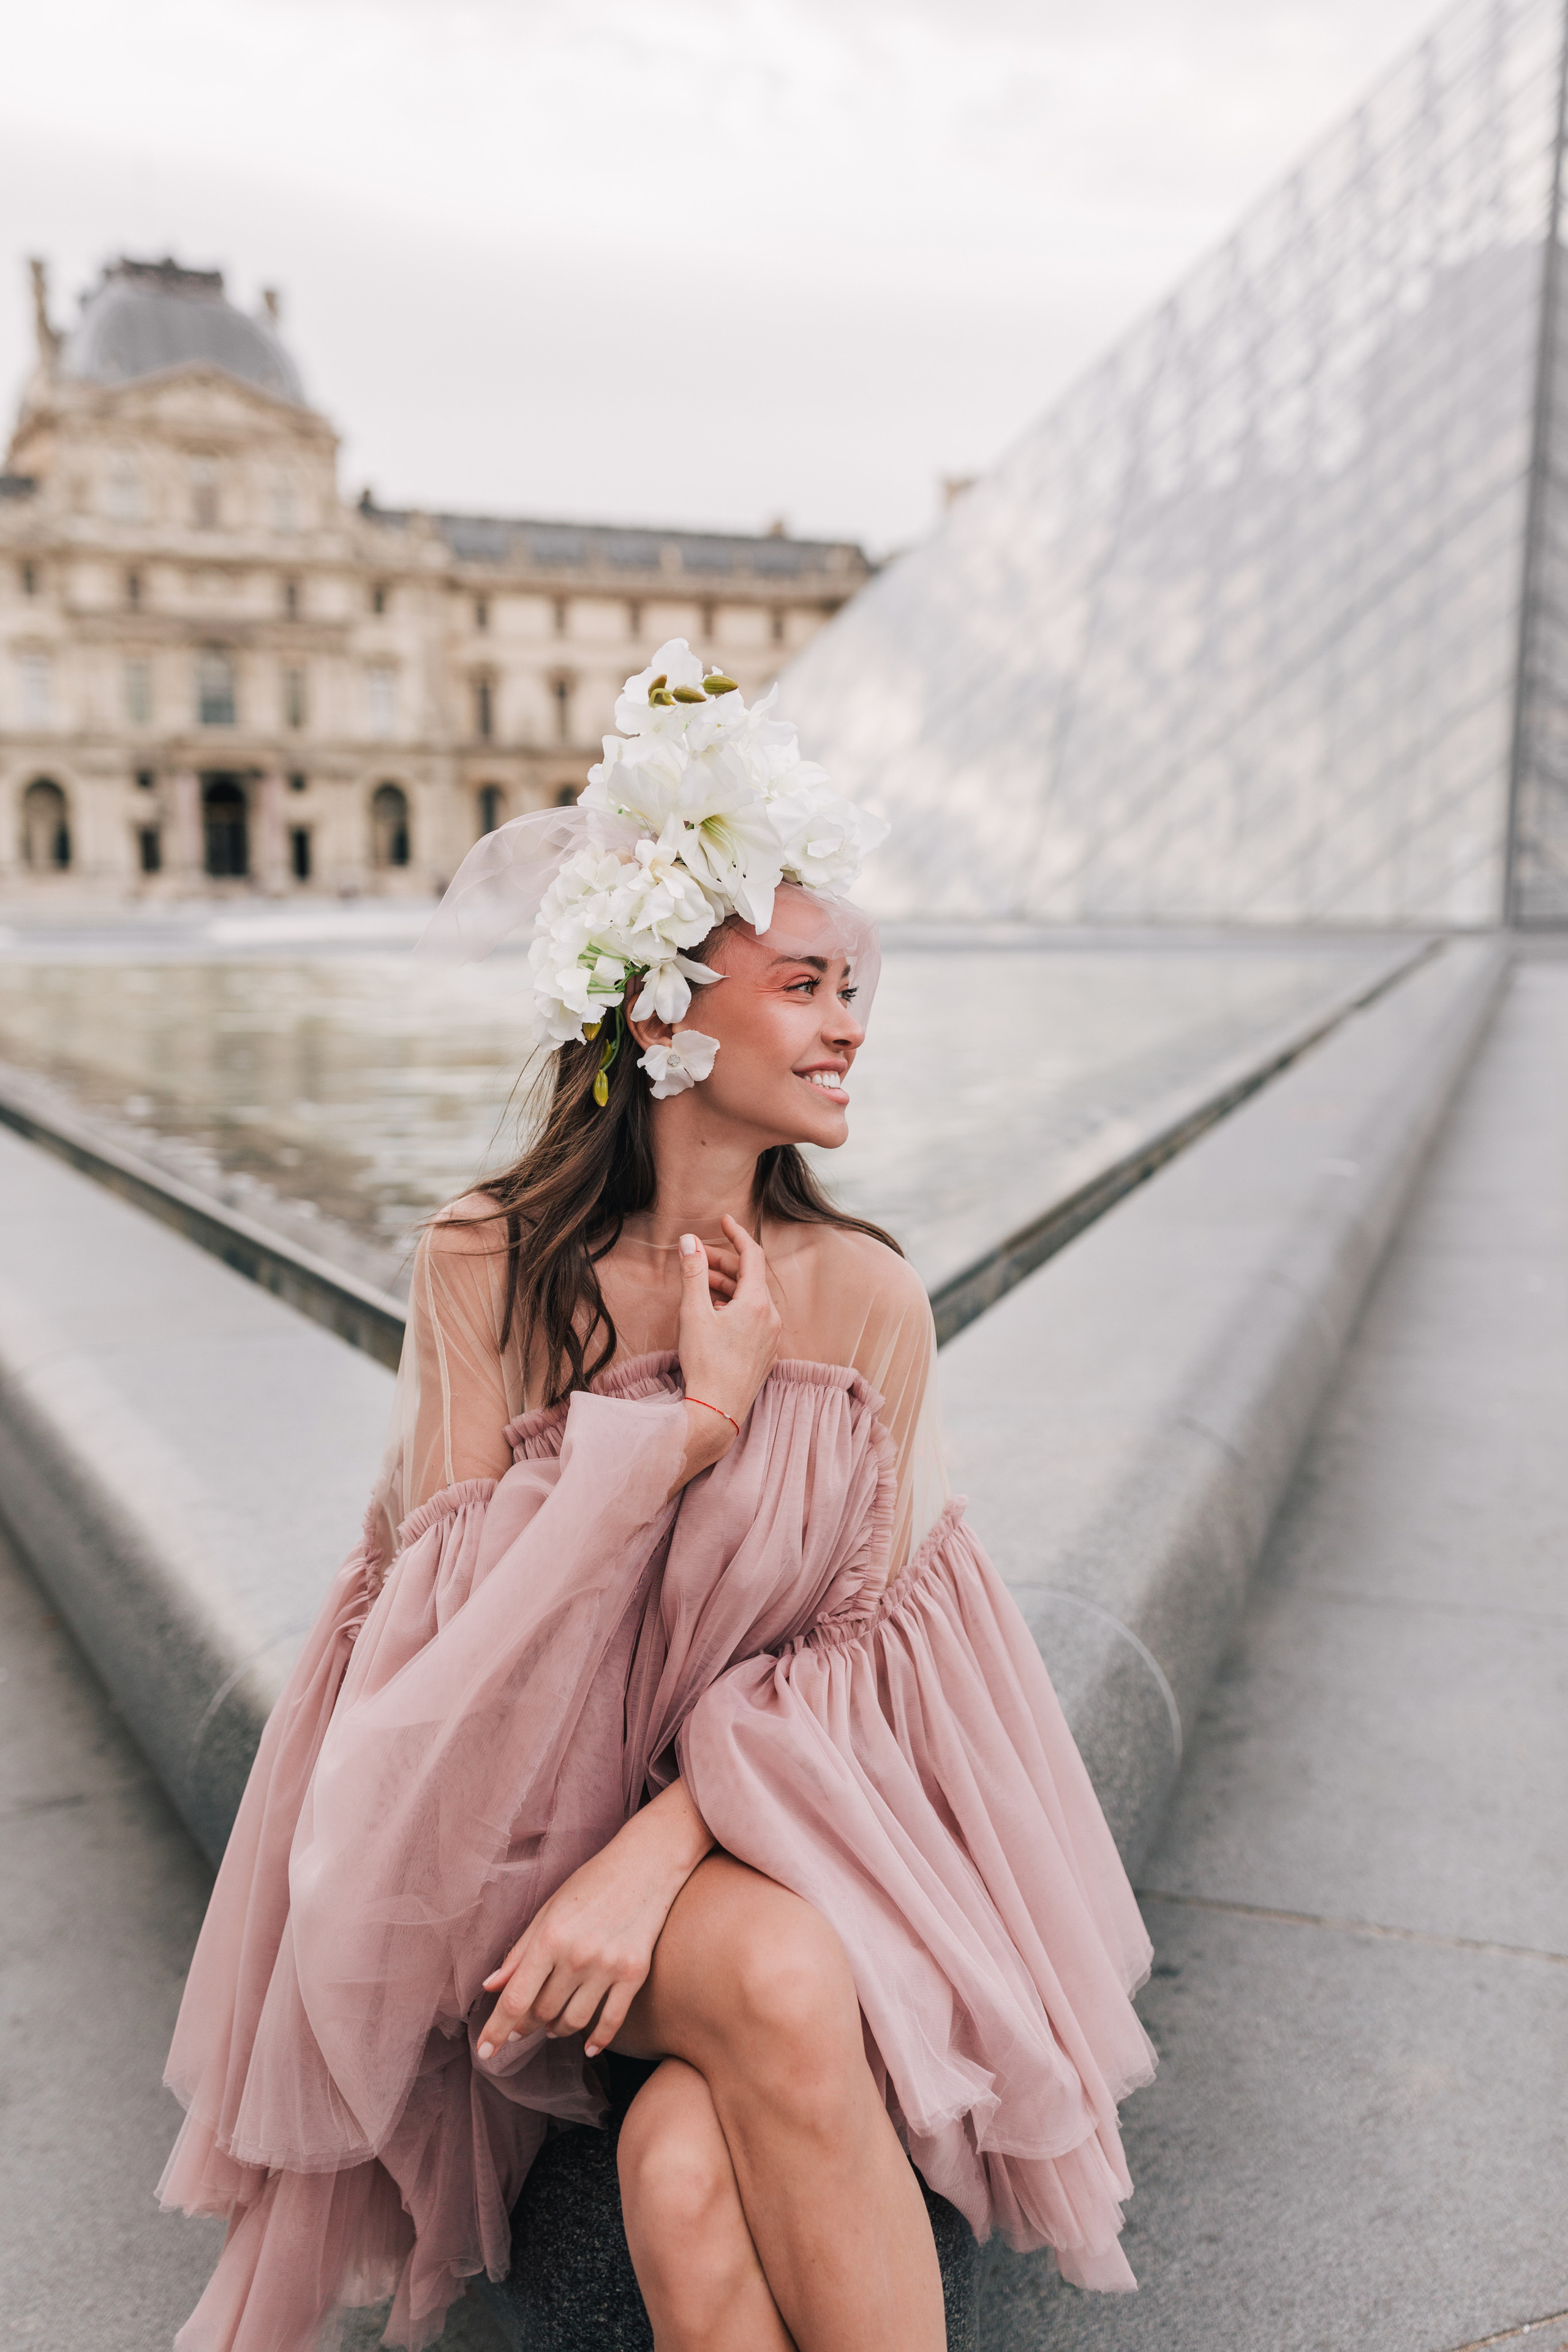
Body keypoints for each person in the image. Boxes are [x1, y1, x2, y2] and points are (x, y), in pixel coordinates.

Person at [160, 644, 1156, 2351]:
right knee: (776, 1982)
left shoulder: (861, 1299)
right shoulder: (484, 1265)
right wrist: (682, 1435)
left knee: (689, 2184)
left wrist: (654, 1854)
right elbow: (464, 1668)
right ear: (657, 1006)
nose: (853, 1021)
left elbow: (865, 1679)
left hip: (773, 1843)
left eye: (860, 986)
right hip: (482, 1847)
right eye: (806, 980)